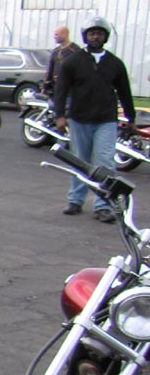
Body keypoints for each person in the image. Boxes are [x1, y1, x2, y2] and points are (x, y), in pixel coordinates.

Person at [54, 16, 134, 222]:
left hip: (106, 120)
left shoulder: (115, 63)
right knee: (80, 161)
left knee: (105, 162)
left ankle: (103, 205)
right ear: (85, 36)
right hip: (79, 119)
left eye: (99, 33)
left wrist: (131, 117)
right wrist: (60, 115)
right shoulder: (72, 62)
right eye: (92, 33)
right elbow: (61, 90)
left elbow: (125, 92)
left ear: (105, 37)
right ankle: (76, 200)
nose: (95, 37)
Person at [43, 25, 81, 98]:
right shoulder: (55, 51)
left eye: (56, 34)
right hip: (56, 90)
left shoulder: (75, 50)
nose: (54, 37)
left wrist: (64, 77)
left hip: (70, 91)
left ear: (64, 34)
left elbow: (80, 71)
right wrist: (44, 87)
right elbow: (50, 71)